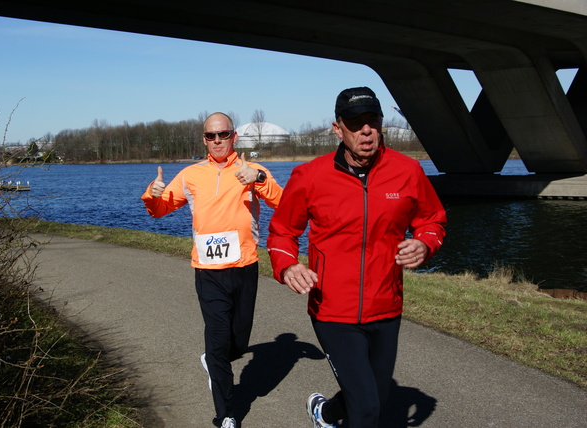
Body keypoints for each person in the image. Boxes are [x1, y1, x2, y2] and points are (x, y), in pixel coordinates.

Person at [267, 87, 447, 427]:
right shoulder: (310, 176)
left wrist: (425, 243)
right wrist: (288, 264)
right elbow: (281, 232)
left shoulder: (407, 171)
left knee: (375, 399)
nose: (366, 131)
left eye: (373, 121)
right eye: (355, 123)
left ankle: (327, 413)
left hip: (386, 306)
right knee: (367, 412)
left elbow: (433, 219)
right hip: (333, 310)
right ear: (338, 129)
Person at [141, 112, 282, 428]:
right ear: (204, 139)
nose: (217, 140)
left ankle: (215, 360)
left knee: (238, 344)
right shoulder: (191, 175)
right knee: (218, 341)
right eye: (210, 136)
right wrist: (152, 194)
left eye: (223, 134)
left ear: (234, 136)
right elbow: (159, 209)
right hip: (207, 271)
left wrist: (258, 180)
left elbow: (284, 204)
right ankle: (227, 414)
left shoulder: (252, 170)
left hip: (244, 267)